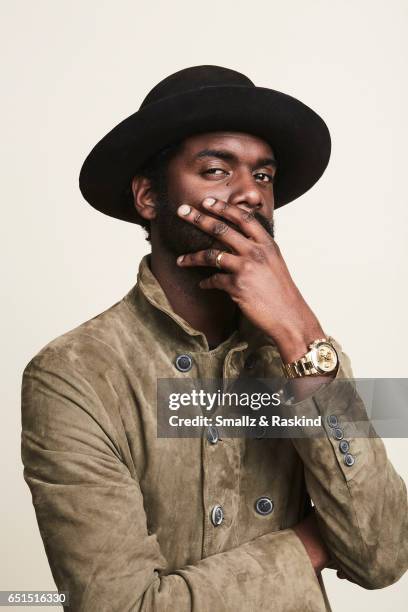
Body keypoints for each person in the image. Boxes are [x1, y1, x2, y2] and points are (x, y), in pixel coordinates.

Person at [21, 65, 408, 611]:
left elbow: (384, 555)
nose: (250, 193)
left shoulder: (308, 356)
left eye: (264, 176)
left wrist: (301, 333)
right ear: (149, 198)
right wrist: (306, 545)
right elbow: (120, 606)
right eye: (216, 170)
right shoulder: (75, 373)